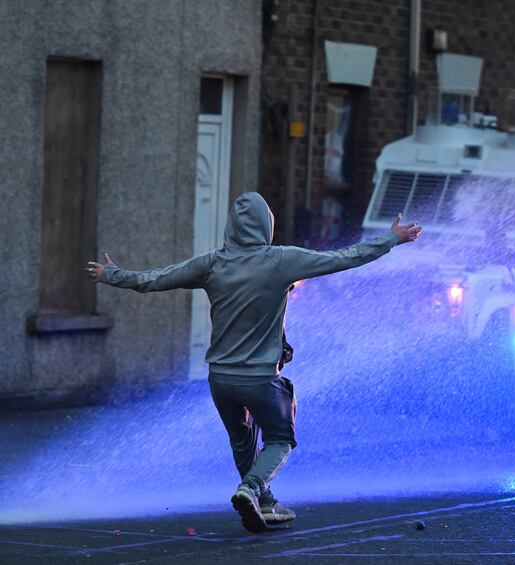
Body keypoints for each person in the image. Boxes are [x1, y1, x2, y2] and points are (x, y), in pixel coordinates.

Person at [86, 192, 421, 532]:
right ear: (267, 226)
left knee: (242, 441)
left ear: (231, 227)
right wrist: (390, 239)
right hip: (259, 378)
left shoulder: (212, 263)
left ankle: (265, 502)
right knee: (280, 439)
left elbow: (154, 279)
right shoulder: (281, 260)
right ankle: (251, 489)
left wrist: (111, 274)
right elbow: (344, 257)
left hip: (219, 378)